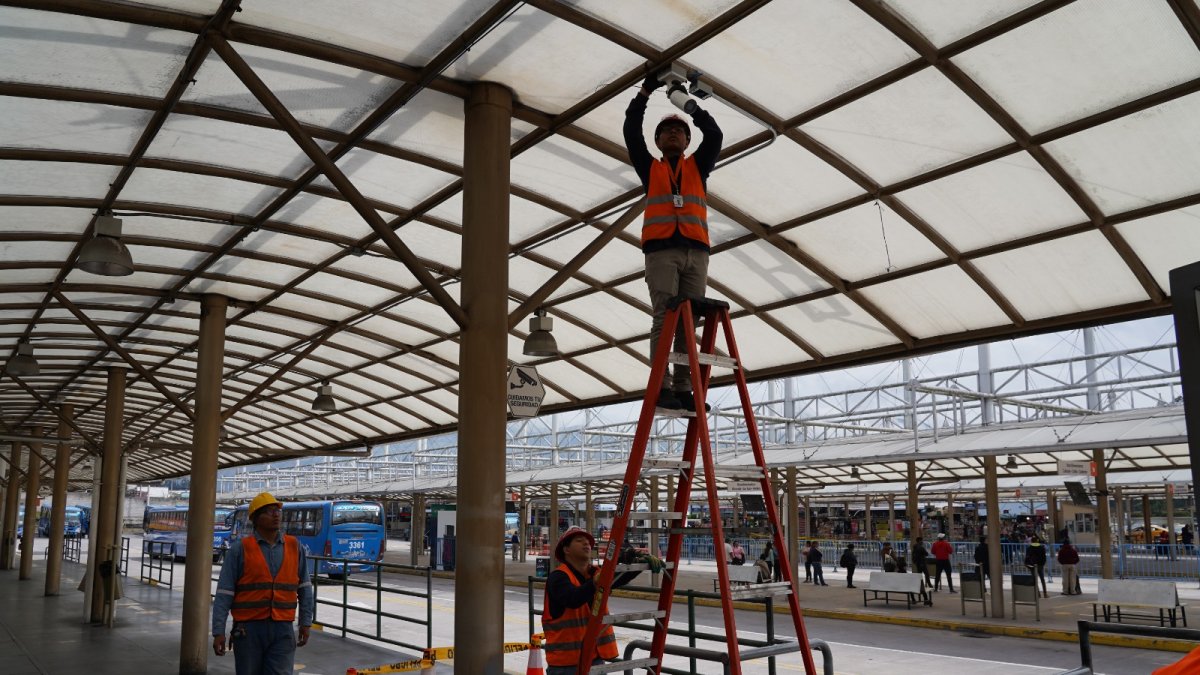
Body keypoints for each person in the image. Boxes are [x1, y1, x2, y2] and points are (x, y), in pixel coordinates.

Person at [624, 68, 723, 412]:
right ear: (658, 141)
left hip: (696, 251)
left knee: (688, 323)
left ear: (687, 140)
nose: (673, 133)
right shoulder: (649, 167)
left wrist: (690, 107)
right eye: (666, 130)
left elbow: (715, 134)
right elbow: (631, 129)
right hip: (662, 251)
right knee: (664, 318)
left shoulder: (698, 166)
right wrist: (645, 92)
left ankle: (683, 387)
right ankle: (661, 386)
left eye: (679, 131)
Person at [211, 492, 313, 674]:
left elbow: (305, 588)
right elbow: (224, 593)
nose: (276, 515)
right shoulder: (240, 549)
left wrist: (306, 622)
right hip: (248, 629)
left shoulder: (294, 547)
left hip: (283, 628)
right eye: (269, 511)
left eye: (277, 511)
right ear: (256, 519)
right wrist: (218, 631)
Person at [543, 527, 643, 673]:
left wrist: (639, 565)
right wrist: (595, 582)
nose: (586, 544)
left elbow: (618, 578)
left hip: (594, 659)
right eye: (579, 541)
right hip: (566, 665)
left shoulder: (594, 574)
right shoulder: (558, 578)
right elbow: (573, 598)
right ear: (566, 550)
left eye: (588, 542)